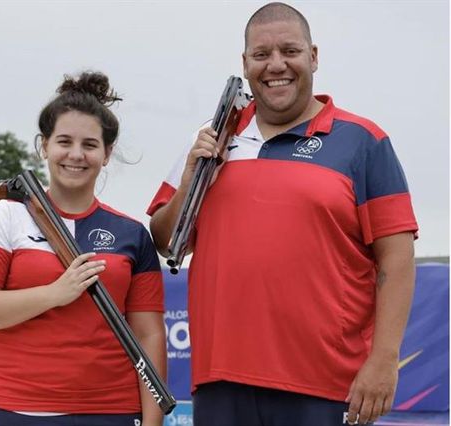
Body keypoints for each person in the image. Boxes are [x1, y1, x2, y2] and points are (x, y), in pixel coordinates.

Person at [147, 3, 417, 426]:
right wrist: (190, 181)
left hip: (327, 385)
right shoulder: (212, 138)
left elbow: (396, 259)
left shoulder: (364, 141)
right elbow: (164, 240)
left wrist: (384, 360)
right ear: (244, 63)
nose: (276, 65)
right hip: (221, 381)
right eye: (261, 54)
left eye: (289, 51)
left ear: (313, 56)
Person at [0, 71, 166, 426]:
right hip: (9, 411)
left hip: (108, 413)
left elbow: (148, 335)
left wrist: (152, 422)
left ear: (107, 153)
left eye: (89, 145)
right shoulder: (4, 217)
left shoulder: (132, 233)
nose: (76, 155)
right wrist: (55, 293)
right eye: (64, 141)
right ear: (44, 146)